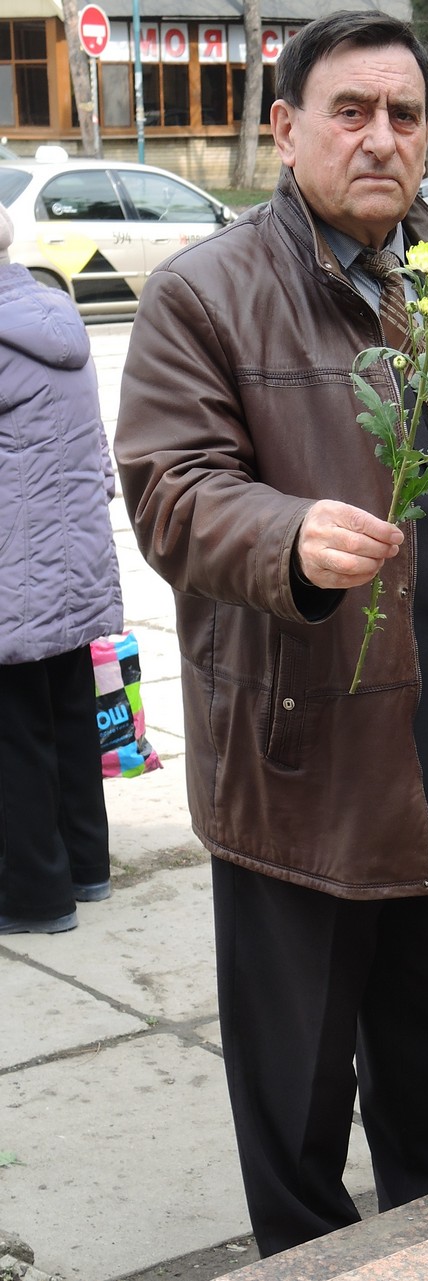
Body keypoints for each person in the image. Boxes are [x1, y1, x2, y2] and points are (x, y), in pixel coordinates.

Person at [113, 9, 428, 1258]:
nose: (380, 138)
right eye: (349, 111)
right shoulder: (206, 292)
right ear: (286, 128)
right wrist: (287, 534)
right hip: (298, 765)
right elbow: (170, 489)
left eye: (405, 114)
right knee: (296, 1107)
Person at [0, 202, 123, 934]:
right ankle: (87, 868)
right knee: (70, 715)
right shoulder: (53, 313)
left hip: (14, 570)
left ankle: (34, 898)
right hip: (73, 562)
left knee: (14, 733)